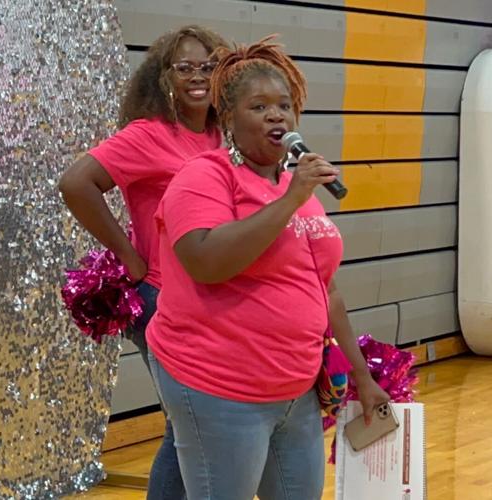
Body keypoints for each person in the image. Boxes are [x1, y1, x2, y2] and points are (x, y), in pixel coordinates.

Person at [144, 36, 392, 499]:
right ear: (229, 119)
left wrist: (362, 374)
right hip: (219, 384)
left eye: (284, 105)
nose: (276, 115)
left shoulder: (294, 185)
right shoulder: (203, 177)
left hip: (295, 387)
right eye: (258, 107)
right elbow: (207, 261)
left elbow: (327, 290)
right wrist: (293, 198)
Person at [58, 25, 228, 500]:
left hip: (212, 298)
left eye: (209, 66)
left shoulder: (224, 134)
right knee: (188, 425)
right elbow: (76, 183)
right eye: (185, 67)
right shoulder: (148, 135)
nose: (199, 76)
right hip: (161, 299)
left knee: (206, 423)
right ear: (163, 77)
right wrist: (129, 258)